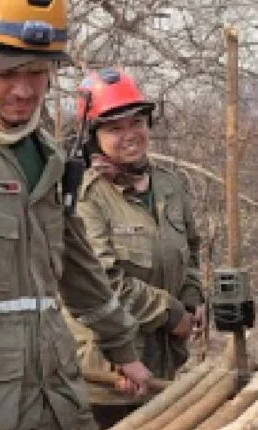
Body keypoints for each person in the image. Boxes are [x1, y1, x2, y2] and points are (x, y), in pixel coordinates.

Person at [0, 1, 153, 430]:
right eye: (6, 73)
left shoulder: (48, 156)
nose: (23, 89)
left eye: (38, 73)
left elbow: (81, 271)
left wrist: (123, 350)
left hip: (60, 410)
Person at [65, 68, 207, 383]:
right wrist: (171, 314)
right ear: (93, 137)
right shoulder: (85, 198)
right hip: (107, 371)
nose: (130, 134)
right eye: (115, 128)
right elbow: (102, 282)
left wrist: (191, 297)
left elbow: (191, 250)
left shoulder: (169, 185)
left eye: (137, 123)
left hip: (163, 361)